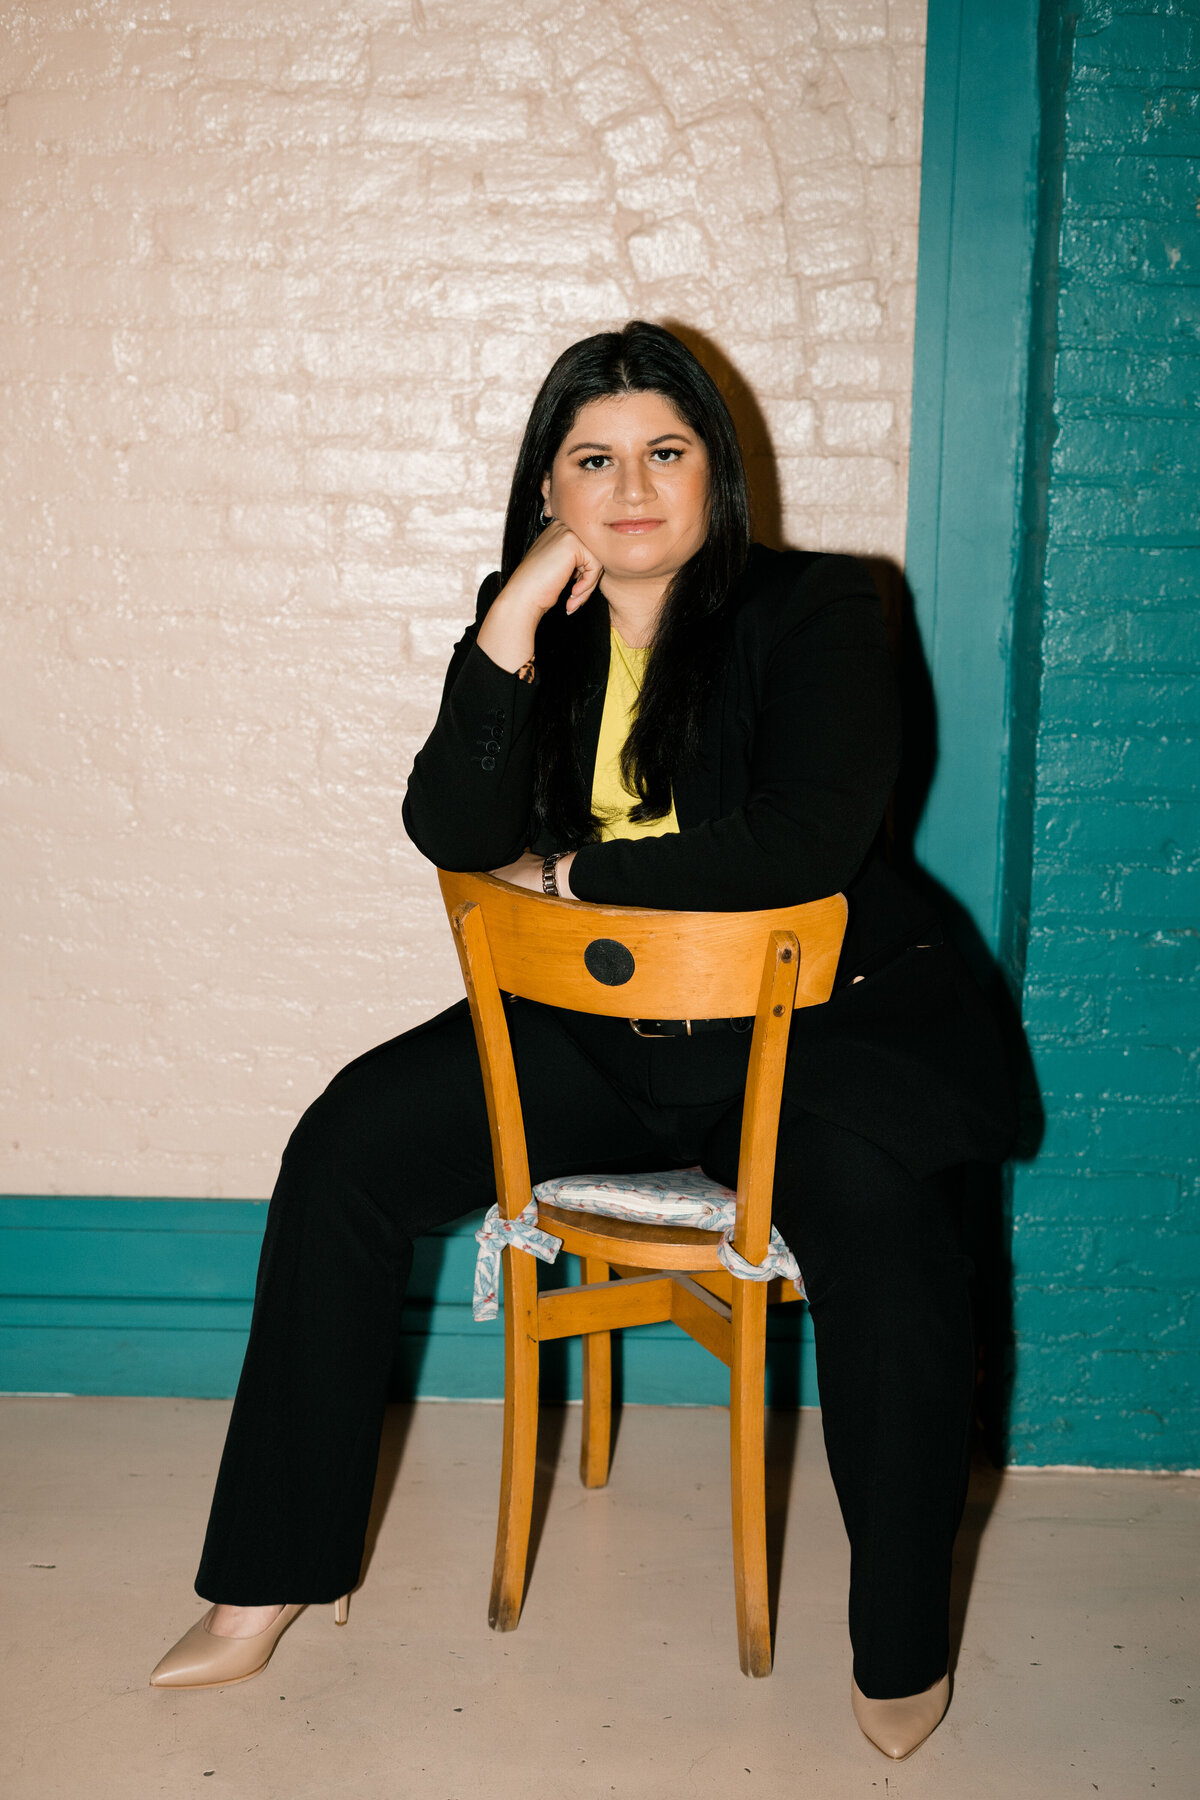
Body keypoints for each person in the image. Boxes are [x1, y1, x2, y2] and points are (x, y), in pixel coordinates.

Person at [150, 321, 1015, 1760]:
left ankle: (902, 1641)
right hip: (604, 1037)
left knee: (896, 1237)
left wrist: (577, 878)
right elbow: (451, 830)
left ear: (713, 474)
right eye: (592, 460)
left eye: (663, 453)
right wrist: (505, 631)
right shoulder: (533, 620)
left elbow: (800, 843)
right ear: (550, 486)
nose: (631, 487)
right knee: (345, 1151)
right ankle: (266, 1583)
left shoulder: (824, 610)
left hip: (815, 1034)